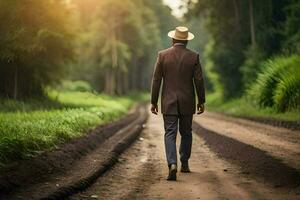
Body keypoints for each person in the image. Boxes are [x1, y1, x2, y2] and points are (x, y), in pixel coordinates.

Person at [150, 26, 205, 181]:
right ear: (186, 41)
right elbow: (199, 80)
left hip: (168, 102)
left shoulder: (162, 55)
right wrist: (201, 101)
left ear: (173, 39)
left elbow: (156, 80)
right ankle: (185, 163)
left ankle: (172, 164)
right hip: (187, 102)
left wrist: (154, 102)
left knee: (170, 133)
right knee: (186, 133)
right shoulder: (194, 57)